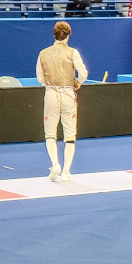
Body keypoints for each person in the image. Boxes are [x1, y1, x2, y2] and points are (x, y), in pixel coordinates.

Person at [36, 22, 88, 182]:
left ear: (54, 34)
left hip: (51, 93)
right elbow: (83, 73)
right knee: (70, 134)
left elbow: (39, 78)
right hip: (67, 93)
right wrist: (77, 82)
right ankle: (66, 171)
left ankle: (55, 164)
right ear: (68, 35)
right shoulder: (72, 52)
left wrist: (50, 84)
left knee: (50, 133)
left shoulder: (43, 53)